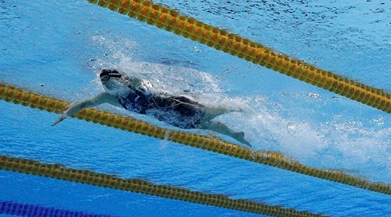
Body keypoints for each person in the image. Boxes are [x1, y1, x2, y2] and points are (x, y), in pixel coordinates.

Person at [53, 69, 250, 146]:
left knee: (210, 114)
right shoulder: (110, 98)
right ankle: (236, 135)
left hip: (177, 106)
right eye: (104, 83)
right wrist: (66, 113)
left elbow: (145, 81)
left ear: (120, 79)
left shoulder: (133, 83)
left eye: (109, 82)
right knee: (206, 126)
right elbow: (86, 104)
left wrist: (137, 81)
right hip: (167, 117)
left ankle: (239, 107)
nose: (107, 86)